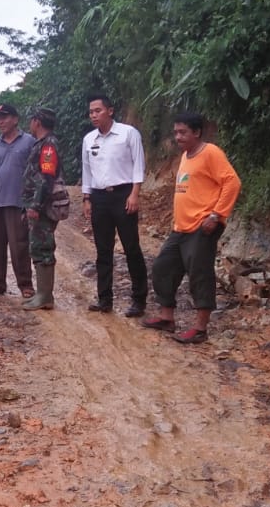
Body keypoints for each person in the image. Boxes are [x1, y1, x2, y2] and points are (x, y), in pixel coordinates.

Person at [142, 111, 241, 344]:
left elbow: (232, 182)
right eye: (175, 132)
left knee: (199, 274)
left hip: (203, 227)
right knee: (162, 267)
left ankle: (200, 328)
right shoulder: (187, 156)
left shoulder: (211, 153)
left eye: (183, 132)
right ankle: (167, 318)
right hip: (181, 228)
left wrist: (216, 215)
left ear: (197, 132)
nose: (178, 137)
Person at [81, 94, 149, 317]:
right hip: (99, 198)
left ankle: (139, 300)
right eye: (91, 112)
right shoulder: (89, 140)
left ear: (110, 111)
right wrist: (87, 198)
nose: (94, 115)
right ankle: (104, 299)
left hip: (123, 194)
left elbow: (139, 164)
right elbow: (87, 171)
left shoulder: (128, 133)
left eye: (98, 110)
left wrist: (135, 194)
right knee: (103, 250)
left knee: (131, 248)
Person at [0, 102, 36, 298]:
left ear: (15, 119)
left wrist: (34, 199)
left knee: (19, 244)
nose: (1, 121)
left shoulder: (29, 141)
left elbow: (36, 171)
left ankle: (25, 284)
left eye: (4, 117)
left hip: (19, 201)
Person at [19, 107, 66, 310]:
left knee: (43, 246)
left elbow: (47, 177)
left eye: (31, 120)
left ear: (37, 122)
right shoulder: (42, 144)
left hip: (44, 207)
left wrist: (36, 205)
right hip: (38, 205)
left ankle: (45, 296)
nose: (30, 124)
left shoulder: (48, 146)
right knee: (37, 246)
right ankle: (42, 294)